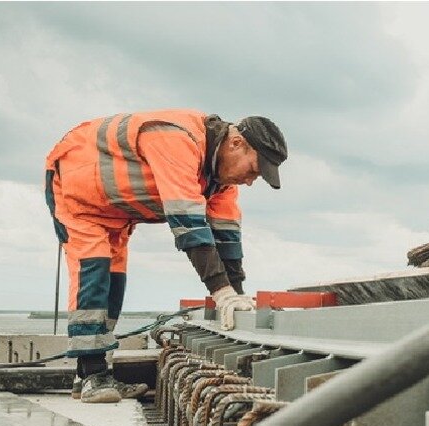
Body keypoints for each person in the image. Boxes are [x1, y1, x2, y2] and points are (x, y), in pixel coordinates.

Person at [43, 110, 288, 403]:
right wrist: (220, 292)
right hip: (76, 194)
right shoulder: (176, 138)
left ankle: (88, 376)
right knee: (93, 272)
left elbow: (227, 238)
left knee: (114, 283)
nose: (250, 181)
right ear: (235, 143)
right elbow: (188, 224)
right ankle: (94, 376)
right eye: (253, 170)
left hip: (116, 214)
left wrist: (236, 294)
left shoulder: (221, 181)